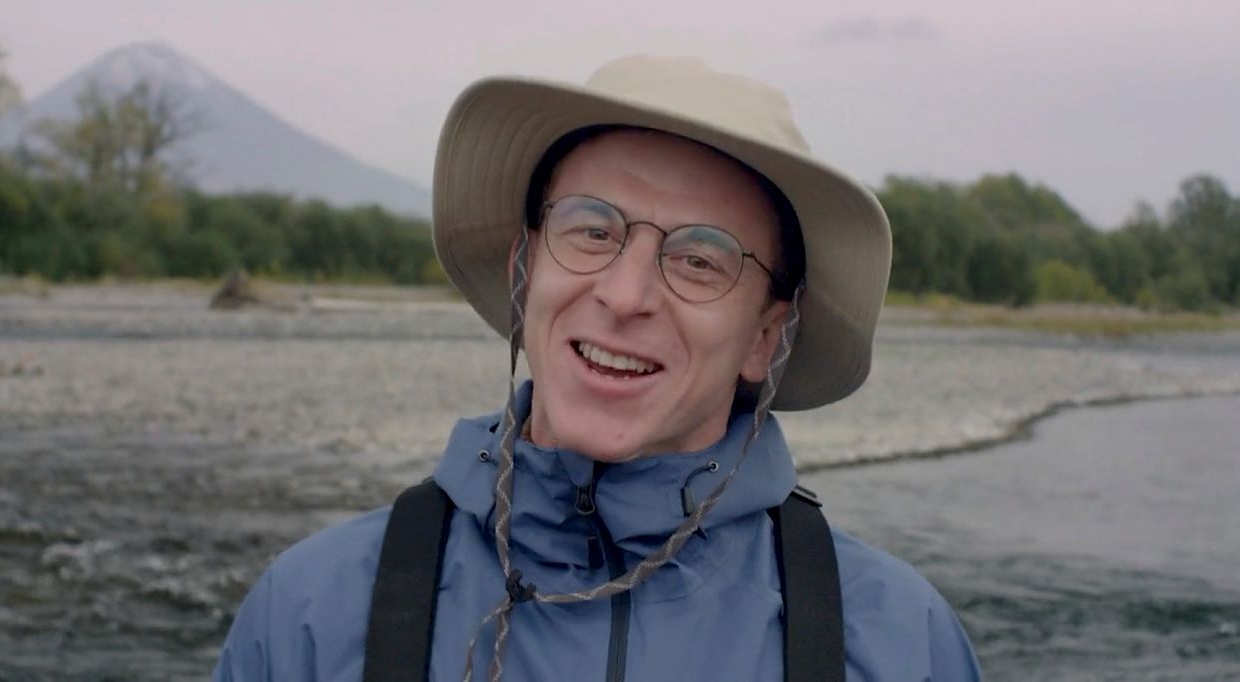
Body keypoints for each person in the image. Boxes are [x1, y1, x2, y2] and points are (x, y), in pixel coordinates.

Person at [213, 54, 982, 682]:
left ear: (765, 336)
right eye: (590, 229)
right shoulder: (313, 614)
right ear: (526, 271)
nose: (623, 294)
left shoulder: (896, 644)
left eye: (700, 259)